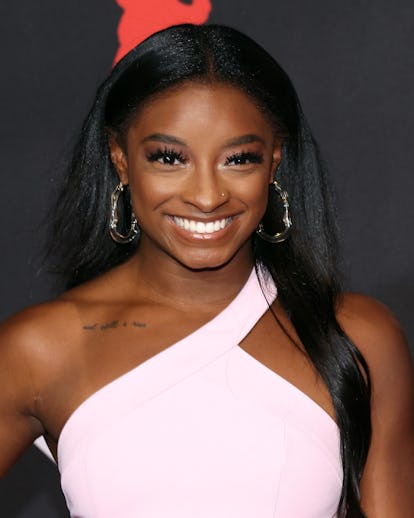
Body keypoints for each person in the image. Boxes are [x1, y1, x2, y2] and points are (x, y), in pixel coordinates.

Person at [0, 23, 412, 518]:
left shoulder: (358, 336)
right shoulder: (40, 348)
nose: (206, 195)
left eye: (238, 159)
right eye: (169, 158)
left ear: (274, 162)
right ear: (121, 160)